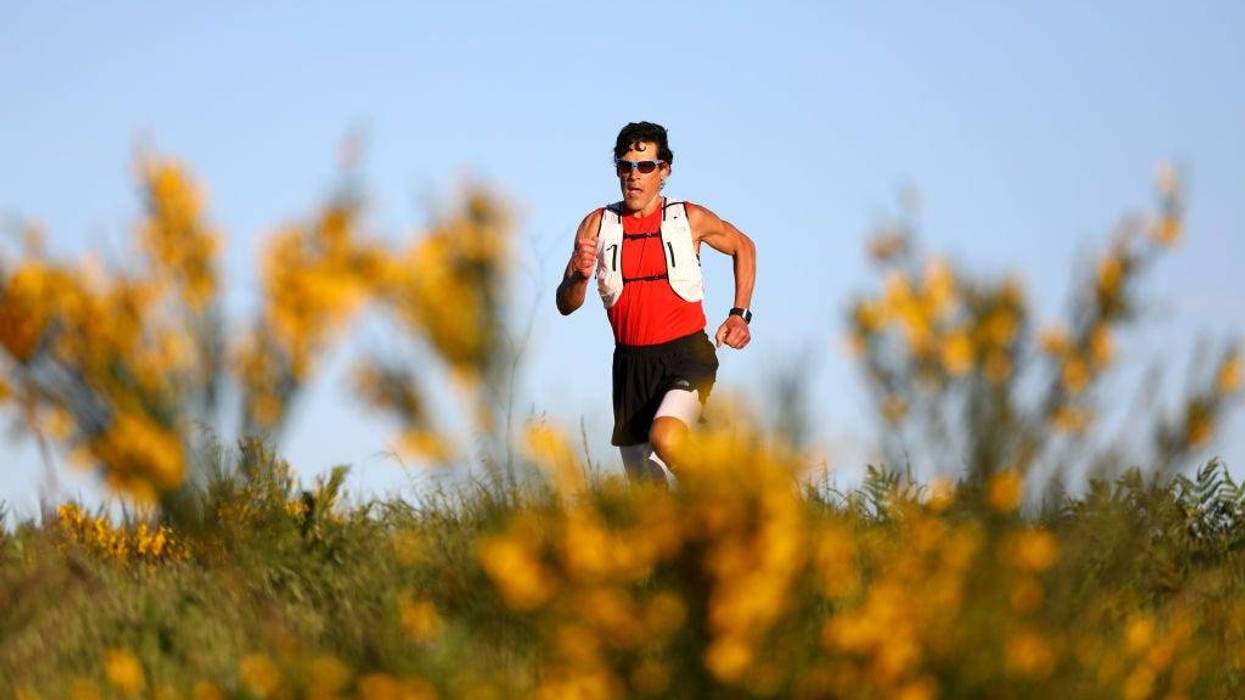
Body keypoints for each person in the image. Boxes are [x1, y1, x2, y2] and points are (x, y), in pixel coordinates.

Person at [556, 121, 756, 483]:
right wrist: (577, 277)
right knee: (648, 500)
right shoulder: (596, 226)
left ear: (664, 171)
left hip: (686, 355)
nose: (634, 176)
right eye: (626, 166)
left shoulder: (688, 218)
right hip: (630, 367)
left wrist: (739, 314)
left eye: (645, 166)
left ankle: (729, 502)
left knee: (667, 436)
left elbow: (744, 246)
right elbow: (566, 304)